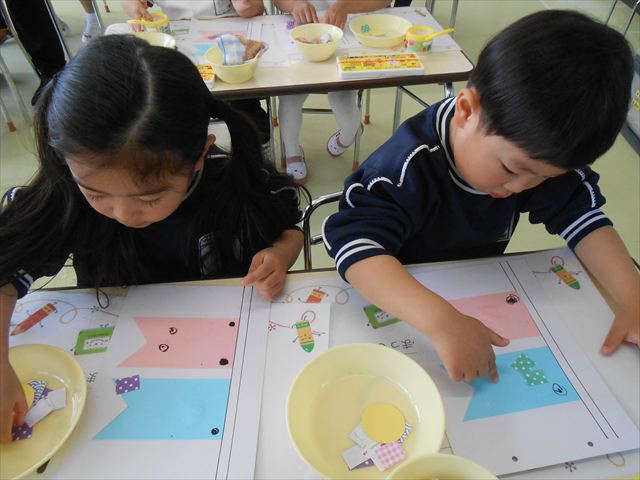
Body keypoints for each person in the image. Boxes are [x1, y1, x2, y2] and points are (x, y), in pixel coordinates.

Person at [0, 35, 303, 442]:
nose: (124, 214)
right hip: (118, 364)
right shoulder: (66, 198)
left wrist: (279, 253)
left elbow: (290, 228)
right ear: (66, 162)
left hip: (225, 351)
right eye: (97, 194)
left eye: (150, 198)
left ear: (199, 156)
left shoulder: (232, 182)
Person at [323, 10, 638, 384]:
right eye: (510, 169)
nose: (522, 187)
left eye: (544, 178)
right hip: (400, 299)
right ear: (466, 111)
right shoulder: (406, 166)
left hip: (477, 290)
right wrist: (442, 322)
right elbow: (355, 247)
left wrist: (633, 298)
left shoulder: (535, 152)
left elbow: (583, 218)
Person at [121, 0, 271, 157]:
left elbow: (256, 9)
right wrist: (134, 6)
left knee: (244, 102)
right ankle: (198, 156)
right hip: (180, 38)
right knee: (172, 104)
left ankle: (256, 154)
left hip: (232, 39)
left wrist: (246, 6)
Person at [274, 0, 392, 184]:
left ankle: (349, 133)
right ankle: (291, 150)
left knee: (343, 100)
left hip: (349, 34)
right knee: (290, 98)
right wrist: (295, 4)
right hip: (300, 35)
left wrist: (346, 5)